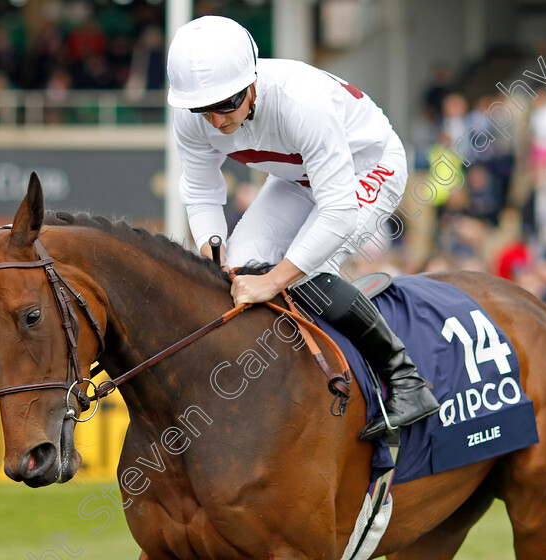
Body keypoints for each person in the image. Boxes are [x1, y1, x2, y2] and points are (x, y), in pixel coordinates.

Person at [166, 15, 439, 439]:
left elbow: (337, 211)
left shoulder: (303, 102)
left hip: (369, 168)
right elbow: (201, 194)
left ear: (252, 81)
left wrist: (274, 279)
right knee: (237, 270)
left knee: (304, 271)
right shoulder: (191, 117)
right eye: (204, 109)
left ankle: (405, 379)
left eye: (227, 104)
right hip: (297, 179)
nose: (217, 121)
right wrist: (214, 259)